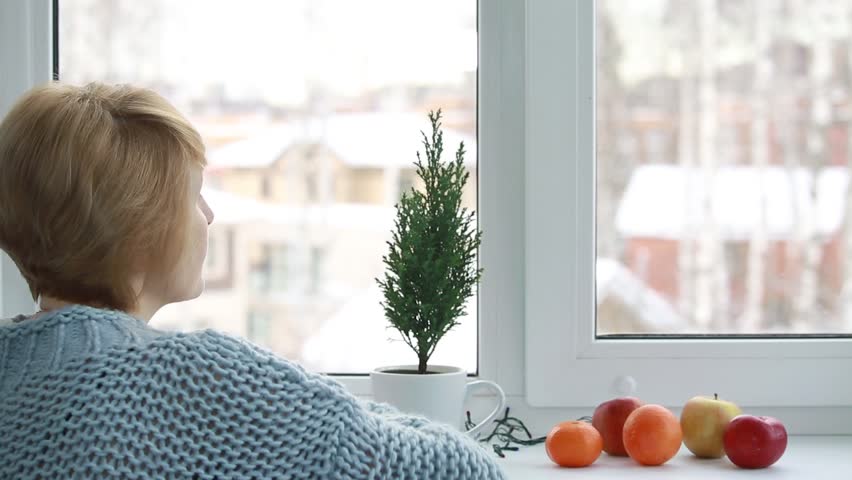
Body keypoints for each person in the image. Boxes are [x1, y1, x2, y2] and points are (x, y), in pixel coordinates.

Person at [0, 82, 506, 479]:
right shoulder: (196, 381)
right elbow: (461, 471)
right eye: (194, 195)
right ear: (140, 226)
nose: (209, 215)